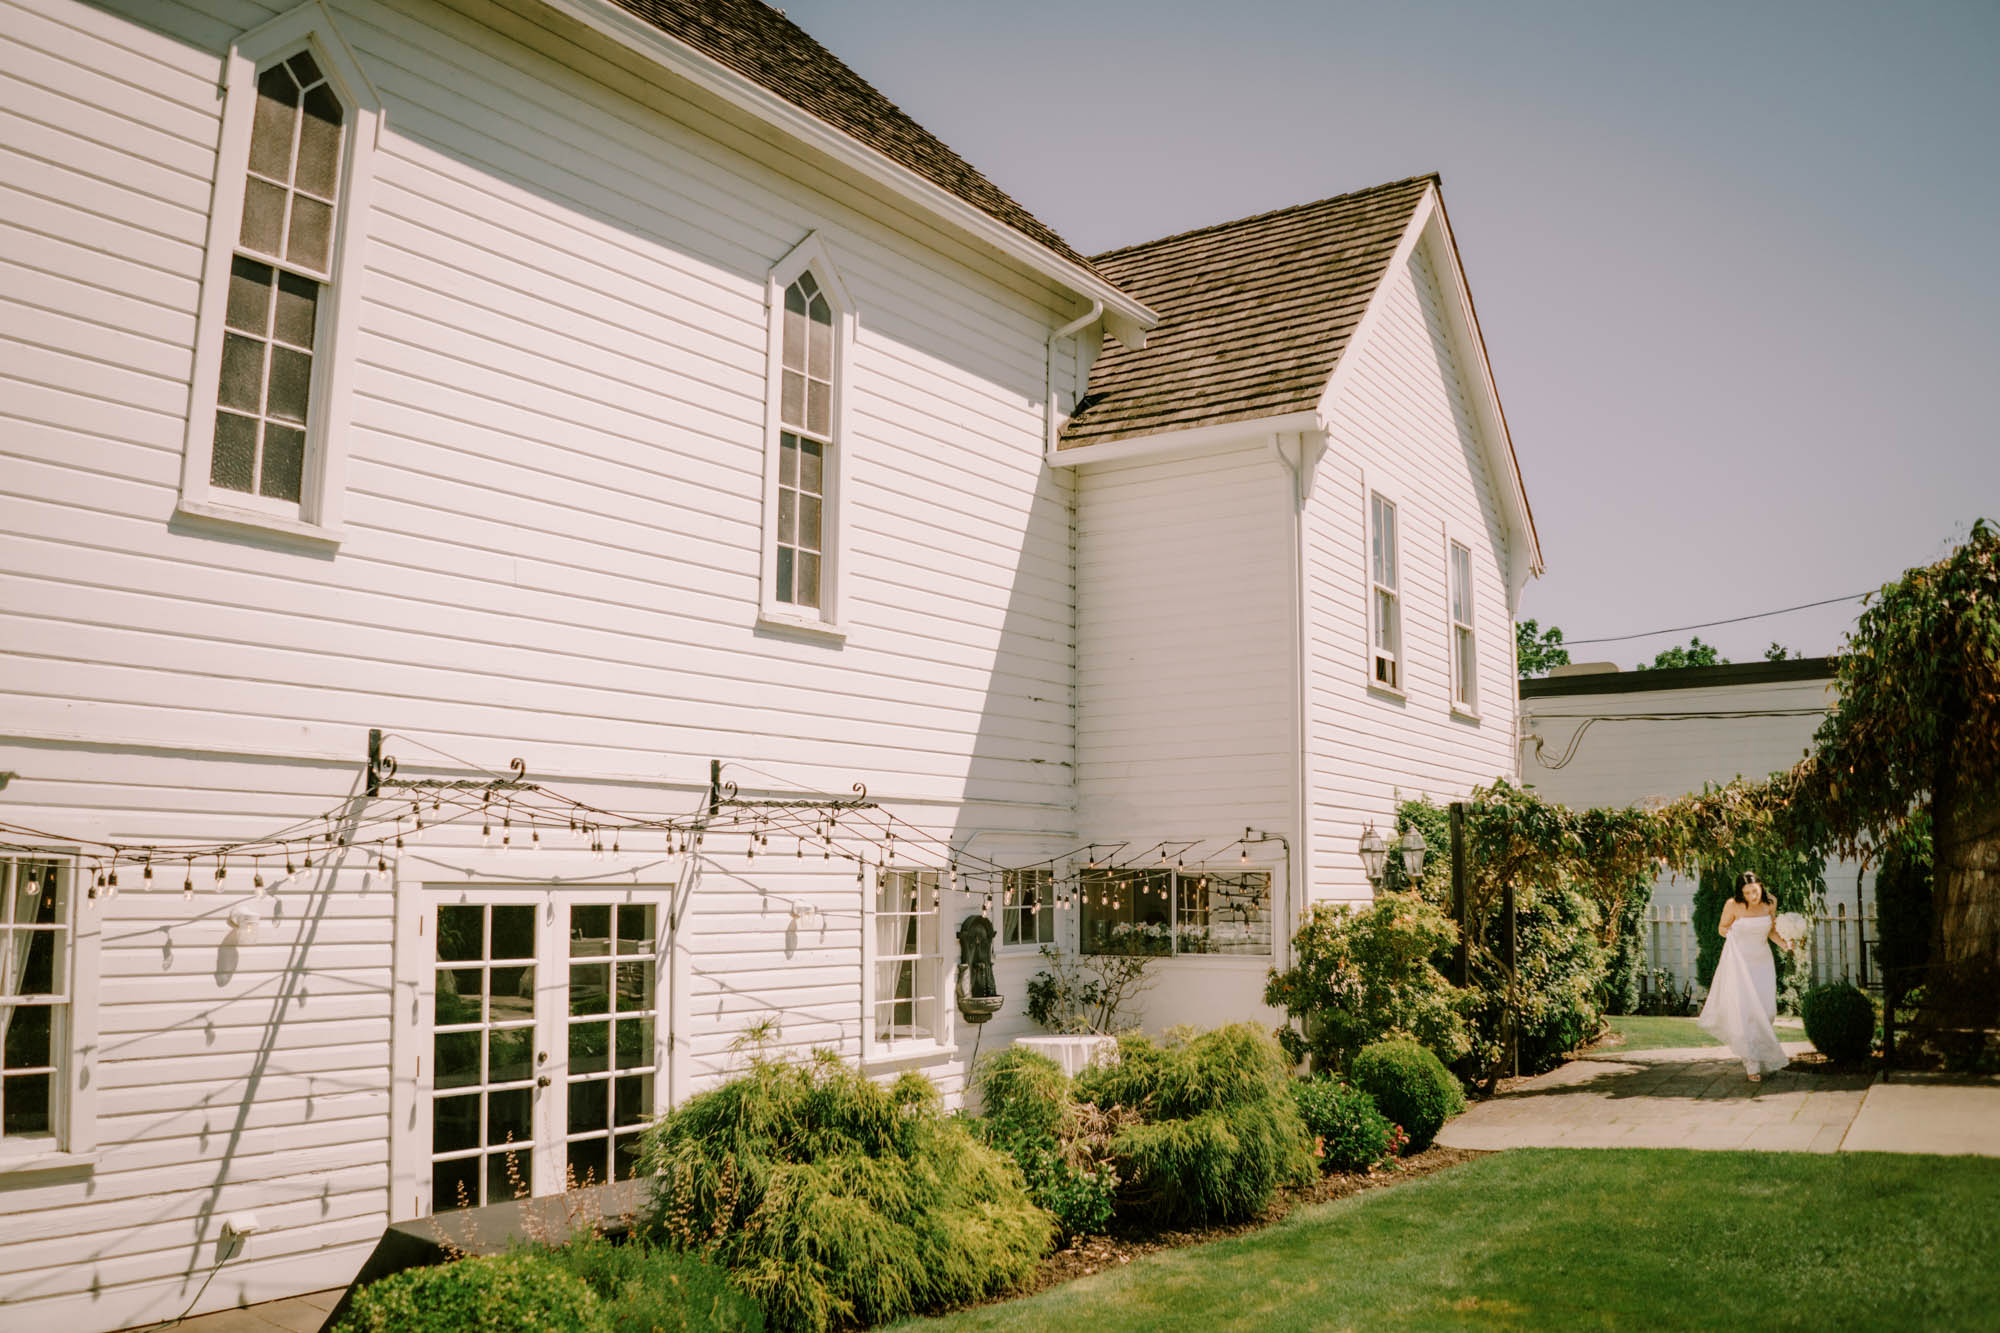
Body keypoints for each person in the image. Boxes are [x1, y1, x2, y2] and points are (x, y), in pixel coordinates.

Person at [1697, 871, 1798, 1081]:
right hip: (1740, 963)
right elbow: (1721, 928)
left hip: (1762, 962)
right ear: (1741, 893)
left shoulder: (1770, 903)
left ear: (1760, 886)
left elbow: (1770, 931)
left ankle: (1759, 1052)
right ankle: (1751, 1064)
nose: (1752, 896)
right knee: (1746, 1014)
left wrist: (1786, 945)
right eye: (1747, 893)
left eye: (1755, 891)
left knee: (1767, 1011)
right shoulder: (1733, 905)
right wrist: (1731, 933)